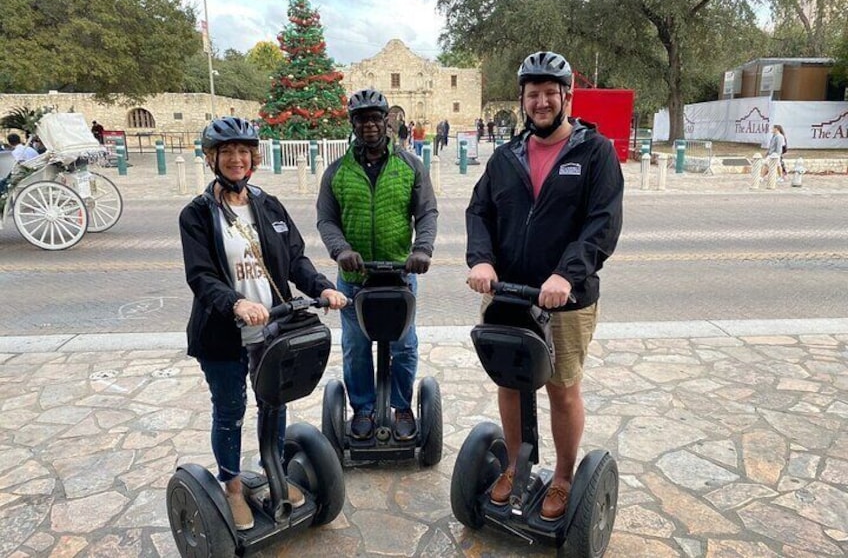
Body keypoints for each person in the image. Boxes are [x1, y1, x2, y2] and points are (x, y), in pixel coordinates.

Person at [465, 51, 623, 522]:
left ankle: (563, 477)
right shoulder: (505, 156)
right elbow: (479, 212)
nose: (541, 102)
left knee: (561, 388)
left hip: (565, 301)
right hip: (508, 293)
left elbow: (602, 223)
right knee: (510, 384)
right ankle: (515, 466)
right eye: (532, 94)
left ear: (566, 97)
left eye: (550, 93)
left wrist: (566, 273)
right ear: (522, 99)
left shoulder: (594, 152)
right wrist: (482, 260)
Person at [178, 116, 348, 531]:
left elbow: (295, 260)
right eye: (227, 153)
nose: (237, 160)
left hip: (273, 329)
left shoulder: (268, 204)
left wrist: (323, 288)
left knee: (275, 403)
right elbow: (201, 276)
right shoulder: (197, 214)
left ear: (253, 157)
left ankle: (273, 472)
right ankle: (233, 485)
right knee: (230, 409)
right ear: (212, 158)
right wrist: (235, 303)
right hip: (223, 332)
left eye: (243, 152)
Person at [317, 88, 438, 442]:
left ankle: (402, 406)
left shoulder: (410, 166)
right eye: (361, 119)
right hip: (355, 278)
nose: (369, 125)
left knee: (404, 345)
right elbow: (327, 220)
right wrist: (340, 250)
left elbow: (427, 212)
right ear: (353, 124)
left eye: (375, 118)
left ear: (387, 121)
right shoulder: (337, 172)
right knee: (355, 347)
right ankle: (364, 409)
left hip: (399, 276)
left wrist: (422, 249)